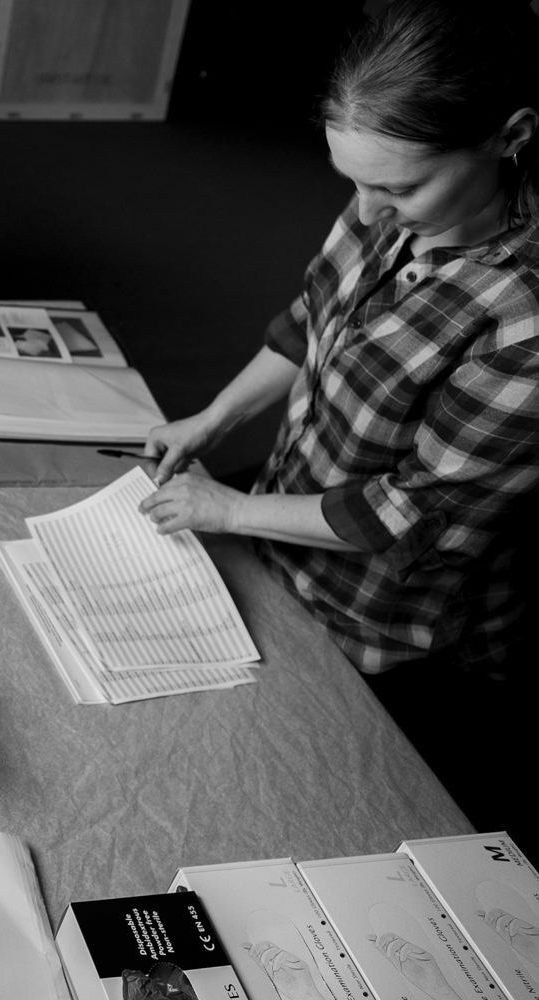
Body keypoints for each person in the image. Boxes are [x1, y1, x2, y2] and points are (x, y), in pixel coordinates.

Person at [139, 0, 539, 840]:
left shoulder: (523, 319)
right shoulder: (377, 203)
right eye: (350, 179)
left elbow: (413, 513)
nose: (366, 208)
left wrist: (229, 510)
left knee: (297, 808)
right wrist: (214, 420)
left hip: (382, 621)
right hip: (289, 525)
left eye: (397, 186)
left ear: (511, 135)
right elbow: (309, 319)